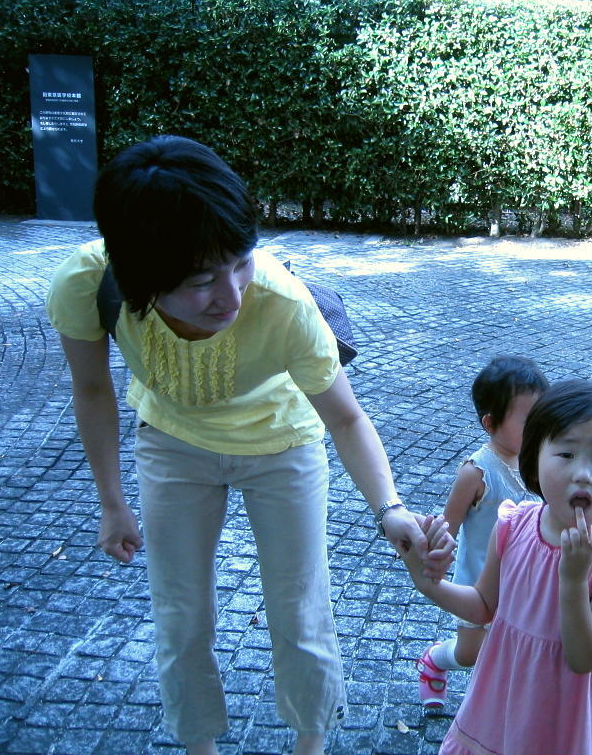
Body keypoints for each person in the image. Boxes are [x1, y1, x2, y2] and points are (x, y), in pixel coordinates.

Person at [45, 135, 451, 755]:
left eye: (240, 262)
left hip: (281, 443)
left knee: (299, 608)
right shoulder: (87, 284)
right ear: (141, 276)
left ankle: (310, 742)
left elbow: (345, 418)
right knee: (180, 614)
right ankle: (198, 745)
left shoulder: (284, 302)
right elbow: (93, 390)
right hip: (172, 441)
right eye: (200, 280)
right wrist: (111, 502)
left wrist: (389, 508)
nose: (231, 296)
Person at [404, 378, 592, 755]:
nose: (583, 473)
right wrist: (428, 583)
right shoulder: (513, 526)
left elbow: (584, 658)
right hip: (505, 701)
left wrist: (573, 580)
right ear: (533, 459)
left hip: (569, 718)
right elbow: (483, 605)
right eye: (566, 454)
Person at [416, 355, 548, 708]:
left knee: (512, 651)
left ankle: (499, 713)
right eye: (528, 420)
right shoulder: (476, 473)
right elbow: (448, 527)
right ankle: (434, 660)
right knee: (471, 653)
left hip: (524, 580)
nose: (539, 427)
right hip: (478, 581)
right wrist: (434, 550)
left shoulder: (542, 461)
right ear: (490, 423)